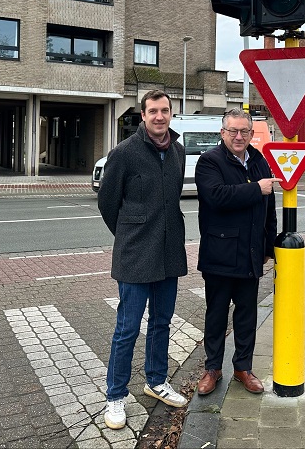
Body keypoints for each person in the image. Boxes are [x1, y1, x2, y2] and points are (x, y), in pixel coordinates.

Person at [97, 90, 188, 430]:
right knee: (127, 328)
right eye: (153, 111)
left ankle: (156, 381)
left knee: (162, 322)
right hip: (135, 254)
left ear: (171, 113)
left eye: (165, 110)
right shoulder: (124, 153)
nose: (159, 116)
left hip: (168, 252)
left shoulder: (178, 151)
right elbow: (108, 203)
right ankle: (115, 395)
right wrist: (129, 235)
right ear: (143, 115)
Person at [194, 109, 279, 396]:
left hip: (250, 253)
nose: (239, 136)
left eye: (244, 131)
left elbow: (269, 209)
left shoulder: (259, 161)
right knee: (216, 315)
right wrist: (256, 189)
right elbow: (216, 196)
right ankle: (212, 369)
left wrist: (268, 247)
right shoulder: (209, 161)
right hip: (219, 254)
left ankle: (243, 368)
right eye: (233, 131)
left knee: (247, 316)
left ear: (252, 134)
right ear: (223, 133)